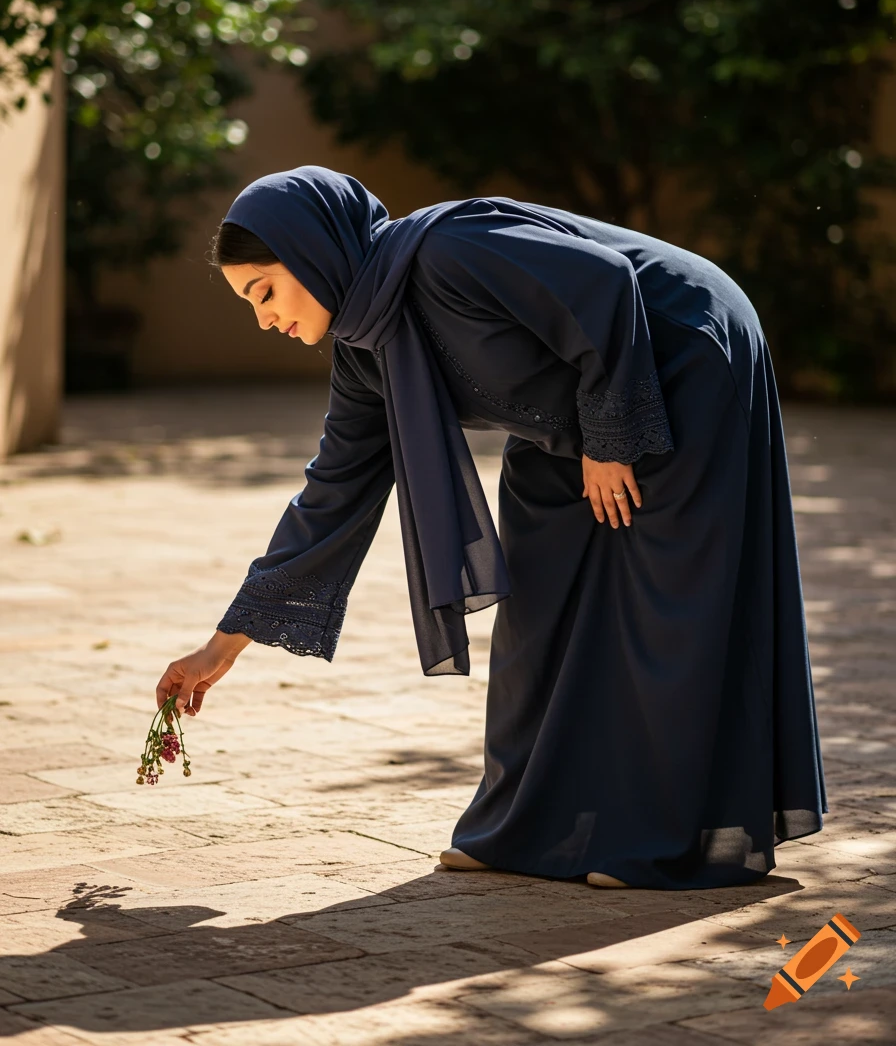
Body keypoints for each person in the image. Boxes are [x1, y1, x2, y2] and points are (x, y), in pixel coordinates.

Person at [156, 165, 827, 890]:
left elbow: (604, 286)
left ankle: (666, 840)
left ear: (314, 251)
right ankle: (527, 829)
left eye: (265, 291)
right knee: (538, 606)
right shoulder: (366, 353)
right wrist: (223, 645)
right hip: (570, 416)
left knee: (666, 606)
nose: (264, 318)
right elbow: (332, 496)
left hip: (682, 355)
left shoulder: (449, 250)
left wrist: (609, 442)